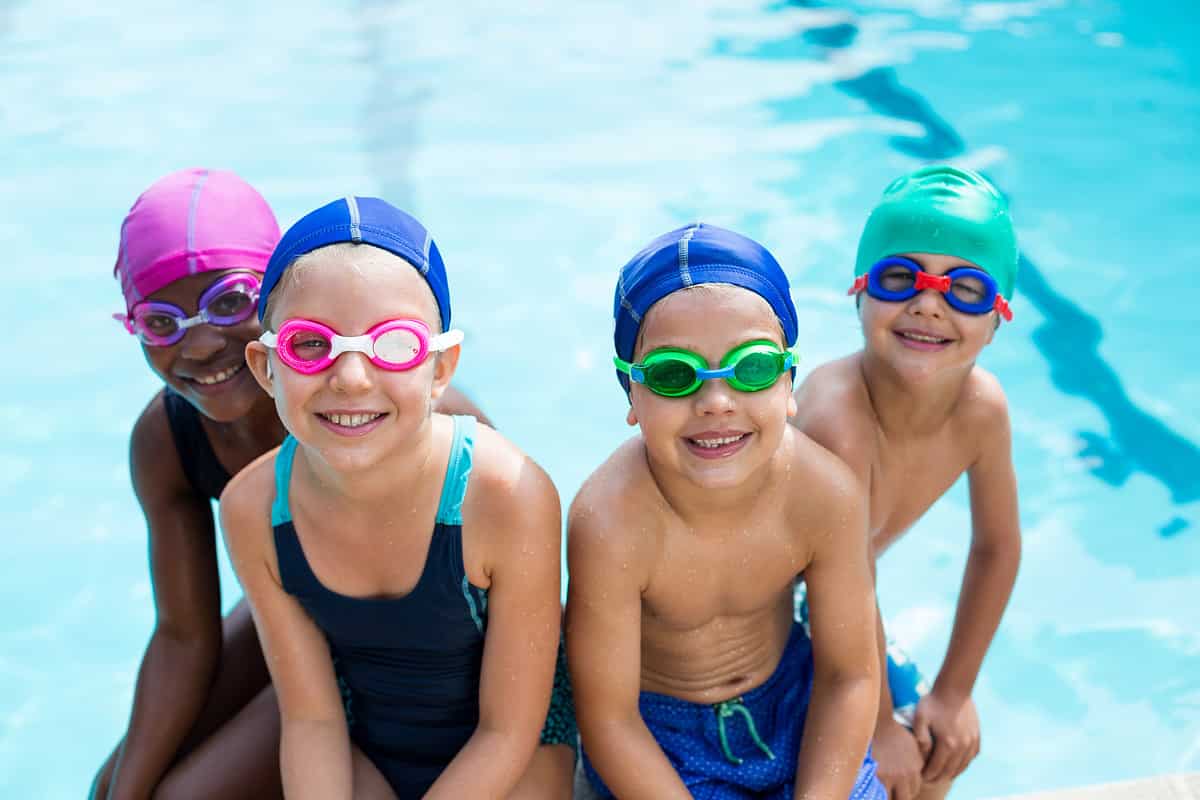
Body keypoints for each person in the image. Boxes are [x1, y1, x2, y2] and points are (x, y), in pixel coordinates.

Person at [92, 169, 489, 800]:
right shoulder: (168, 439)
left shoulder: (389, 416)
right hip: (293, 622)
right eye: (160, 321)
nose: (199, 344)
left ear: (278, 300)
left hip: (404, 658)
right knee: (113, 784)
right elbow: (182, 633)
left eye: (228, 302)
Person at [219, 196, 575, 799]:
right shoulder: (253, 509)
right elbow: (312, 719)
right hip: (364, 749)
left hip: (515, 755)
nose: (352, 378)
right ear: (265, 366)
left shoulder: (506, 495)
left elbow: (508, 731)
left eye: (392, 345)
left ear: (440, 370)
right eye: (310, 344)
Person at [567, 223, 884, 799]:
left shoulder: (823, 492)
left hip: (794, 708)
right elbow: (610, 719)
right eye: (672, 374)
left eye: (752, 367)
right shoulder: (611, 521)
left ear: (789, 382)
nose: (715, 402)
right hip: (661, 738)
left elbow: (849, 677)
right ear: (630, 394)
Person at [792, 165, 1022, 800]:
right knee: (884, 768)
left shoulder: (983, 409)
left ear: (999, 315)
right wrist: (872, 727)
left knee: (932, 752)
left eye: (965, 289)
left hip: (836, 604)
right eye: (902, 278)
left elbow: (997, 547)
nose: (928, 303)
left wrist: (955, 691)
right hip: (767, 620)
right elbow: (840, 574)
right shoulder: (839, 414)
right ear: (859, 290)